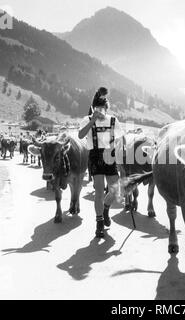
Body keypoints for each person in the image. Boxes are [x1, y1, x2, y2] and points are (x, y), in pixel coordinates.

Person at [78, 87, 125, 238]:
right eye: (97, 108)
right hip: (95, 157)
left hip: (110, 156)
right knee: (98, 191)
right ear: (93, 108)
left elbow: (120, 137)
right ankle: (99, 224)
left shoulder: (113, 120)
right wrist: (92, 120)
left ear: (106, 108)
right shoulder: (87, 119)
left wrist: (121, 152)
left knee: (114, 190)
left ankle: (105, 208)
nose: (100, 111)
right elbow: (80, 135)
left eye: (102, 108)